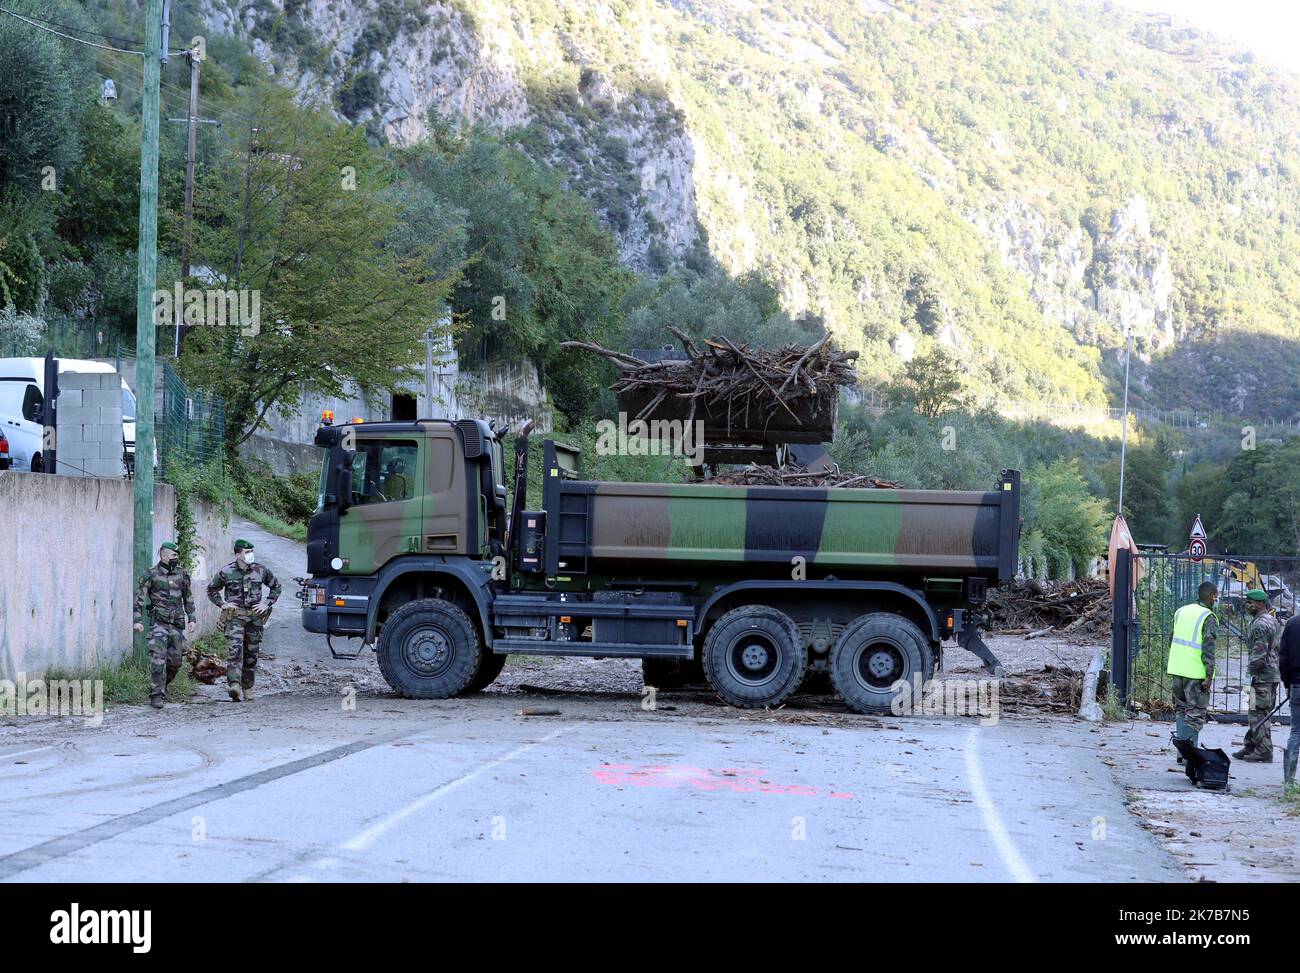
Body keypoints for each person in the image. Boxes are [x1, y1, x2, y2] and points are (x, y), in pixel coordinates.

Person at [206, 539, 281, 702]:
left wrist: (266, 603)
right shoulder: (226, 572)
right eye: (247, 552)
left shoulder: (261, 570)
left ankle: (247, 686)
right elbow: (212, 590)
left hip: (255, 618)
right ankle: (234, 685)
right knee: (235, 651)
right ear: (238, 554)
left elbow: (276, 587)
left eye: (252, 551)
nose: (250, 554)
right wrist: (223, 604)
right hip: (235, 618)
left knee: (251, 655)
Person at [133, 541, 197, 709]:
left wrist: (192, 618)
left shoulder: (182, 574)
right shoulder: (151, 574)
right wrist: (137, 621)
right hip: (159, 624)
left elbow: (188, 597)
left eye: (177, 555)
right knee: (157, 659)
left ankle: (163, 685)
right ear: (163, 556)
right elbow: (139, 598)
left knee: (175, 662)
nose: (176, 558)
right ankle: (156, 695)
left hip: (176, 624)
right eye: (174, 555)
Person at [1167, 581, 1218, 752]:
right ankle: (1190, 754)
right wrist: (1209, 675)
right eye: (1215, 597)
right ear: (1211, 596)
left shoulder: (1181, 611)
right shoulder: (1208, 616)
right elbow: (1208, 649)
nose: (1216, 600)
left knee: (1181, 710)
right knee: (1195, 714)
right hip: (1195, 673)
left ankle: (1181, 754)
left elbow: (1171, 640)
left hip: (1177, 669)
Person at [1235, 589, 1281, 762]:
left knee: (1257, 712)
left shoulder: (1259, 625)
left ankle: (1264, 750)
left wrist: (1249, 675)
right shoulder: (1272, 620)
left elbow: (1259, 655)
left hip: (1260, 676)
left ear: (1261, 603)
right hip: (1272, 674)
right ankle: (1251, 745)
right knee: (1260, 711)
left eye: (1251, 602)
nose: (1247, 605)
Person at [1279, 611, 1299, 788]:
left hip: (1297, 685)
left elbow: (1283, 657)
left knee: (1296, 732)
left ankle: (1288, 782)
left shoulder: (1292, 624)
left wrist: (1287, 683)